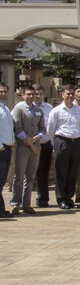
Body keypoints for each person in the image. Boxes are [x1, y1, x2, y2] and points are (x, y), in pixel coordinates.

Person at [47, 85, 80, 209]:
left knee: (72, 171)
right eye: (68, 94)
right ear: (62, 95)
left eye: (72, 94)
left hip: (75, 142)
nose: (70, 96)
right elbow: (51, 129)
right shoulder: (56, 111)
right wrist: (55, 144)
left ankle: (69, 198)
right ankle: (61, 198)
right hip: (62, 141)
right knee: (61, 171)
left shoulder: (78, 110)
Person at [9, 87, 45, 215]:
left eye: (33, 94)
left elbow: (43, 129)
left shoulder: (38, 110)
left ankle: (26, 204)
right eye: (28, 94)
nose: (31, 97)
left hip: (35, 147)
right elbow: (17, 128)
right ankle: (15, 203)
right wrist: (30, 143)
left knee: (30, 176)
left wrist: (35, 139)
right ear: (23, 95)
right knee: (19, 176)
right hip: (23, 146)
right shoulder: (19, 109)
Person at [33, 83, 54, 208]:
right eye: (36, 94)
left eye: (40, 94)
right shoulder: (23, 107)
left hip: (45, 144)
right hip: (31, 144)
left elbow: (51, 127)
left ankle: (43, 198)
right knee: (29, 173)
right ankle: (22, 200)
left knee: (43, 173)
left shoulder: (49, 108)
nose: (38, 96)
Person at [0, 83, 15, 218]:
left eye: (5, 91)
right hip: (1, 148)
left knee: (2, 179)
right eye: (1, 92)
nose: (3, 94)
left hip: (7, 148)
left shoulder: (4, 109)